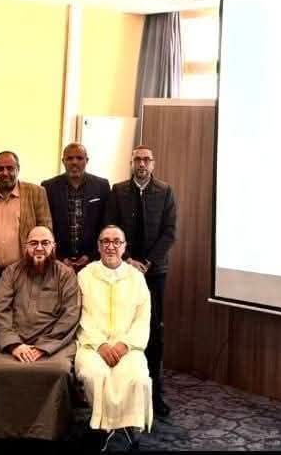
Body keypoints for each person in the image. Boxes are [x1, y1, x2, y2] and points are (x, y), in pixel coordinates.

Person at [0, 225, 81, 443]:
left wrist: (43, 347)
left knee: (59, 371)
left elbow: (70, 316)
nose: (39, 248)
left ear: (54, 247)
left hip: (53, 345)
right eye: (33, 243)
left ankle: (50, 434)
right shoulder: (11, 272)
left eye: (45, 243)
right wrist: (14, 344)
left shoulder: (66, 274)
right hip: (12, 342)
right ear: (25, 247)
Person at [105, 145, 177, 417]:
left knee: (154, 332)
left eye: (147, 159)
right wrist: (127, 260)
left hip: (154, 273)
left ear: (153, 164)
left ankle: (155, 394)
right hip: (122, 271)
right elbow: (110, 228)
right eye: (138, 159)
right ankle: (122, 392)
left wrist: (147, 263)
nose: (142, 164)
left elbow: (169, 232)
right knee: (122, 327)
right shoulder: (118, 191)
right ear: (131, 163)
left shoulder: (165, 191)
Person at [76, 225, 153, 445]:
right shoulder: (85, 275)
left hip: (128, 346)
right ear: (98, 246)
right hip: (92, 345)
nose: (111, 246)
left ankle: (129, 425)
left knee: (137, 377)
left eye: (116, 242)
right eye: (106, 241)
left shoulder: (136, 278)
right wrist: (99, 344)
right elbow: (81, 316)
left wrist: (124, 345)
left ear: (124, 247)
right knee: (95, 375)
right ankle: (102, 428)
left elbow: (142, 319)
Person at [0, 150, 52, 272]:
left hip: (25, 270)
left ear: (18, 169)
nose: (5, 173)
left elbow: (46, 231)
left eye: (10, 168)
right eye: (0, 169)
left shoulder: (36, 193)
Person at [41, 142, 110, 273]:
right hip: (58, 261)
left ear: (87, 160)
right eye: (70, 158)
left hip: (93, 261)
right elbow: (46, 226)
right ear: (63, 161)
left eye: (79, 158)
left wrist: (91, 255)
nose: (74, 162)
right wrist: (59, 257)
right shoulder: (48, 187)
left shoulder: (102, 186)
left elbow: (105, 224)